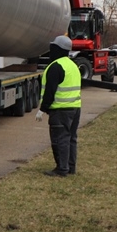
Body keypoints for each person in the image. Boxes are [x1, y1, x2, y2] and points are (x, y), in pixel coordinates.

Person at [36, 35, 81, 177]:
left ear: (57, 49)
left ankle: (61, 169)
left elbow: (50, 91)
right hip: (75, 108)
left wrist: (42, 109)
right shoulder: (73, 65)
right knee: (71, 138)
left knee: (60, 139)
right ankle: (70, 167)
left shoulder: (56, 66)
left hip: (60, 110)